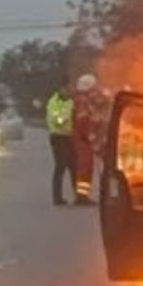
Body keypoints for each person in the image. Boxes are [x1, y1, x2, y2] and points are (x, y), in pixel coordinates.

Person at [72, 74, 99, 205]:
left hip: (83, 140)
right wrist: (90, 136)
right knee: (84, 168)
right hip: (82, 140)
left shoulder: (84, 101)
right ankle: (81, 197)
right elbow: (82, 122)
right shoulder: (82, 102)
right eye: (93, 88)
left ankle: (83, 195)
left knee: (87, 168)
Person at [45, 84, 75, 206]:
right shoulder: (54, 102)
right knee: (60, 167)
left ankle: (79, 196)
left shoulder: (71, 101)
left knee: (74, 167)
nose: (68, 91)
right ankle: (57, 198)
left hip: (70, 137)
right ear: (60, 89)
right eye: (66, 89)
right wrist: (66, 117)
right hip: (58, 137)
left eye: (69, 89)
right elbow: (57, 120)